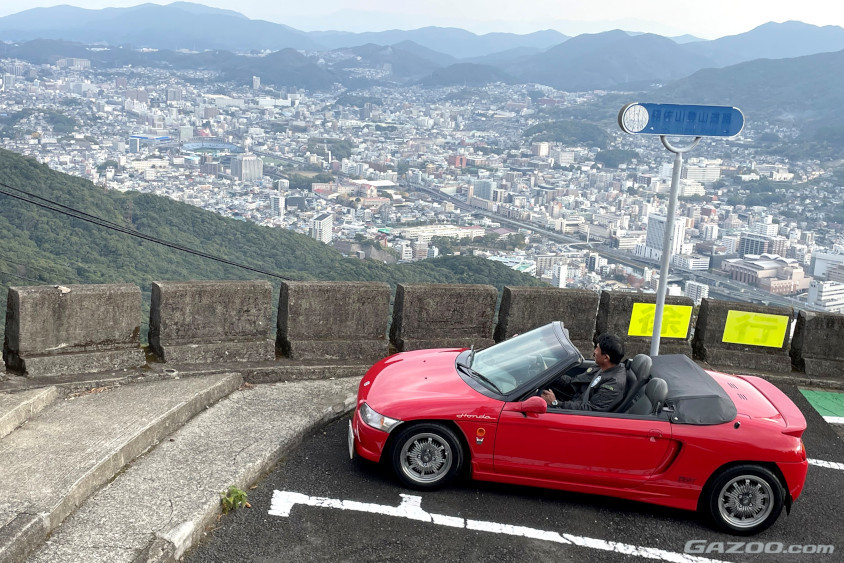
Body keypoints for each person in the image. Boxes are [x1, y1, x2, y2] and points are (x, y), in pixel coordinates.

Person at [541, 333, 627, 412]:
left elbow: (590, 409)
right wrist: (548, 373)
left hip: (577, 415)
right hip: (574, 401)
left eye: (597, 348)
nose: (594, 351)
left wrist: (555, 403)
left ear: (606, 358)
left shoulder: (613, 384)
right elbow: (574, 383)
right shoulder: (600, 367)